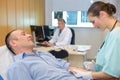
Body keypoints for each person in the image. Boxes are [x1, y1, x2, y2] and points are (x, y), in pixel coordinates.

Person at [69, 1, 120, 80]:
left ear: (102, 14)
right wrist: (96, 66)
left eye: (93, 21)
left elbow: (111, 73)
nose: (94, 26)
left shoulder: (116, 34)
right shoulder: (112, 32)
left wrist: (87, 74)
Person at [5, 29, 83, 80]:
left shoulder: (44, 54)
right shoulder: (18, 65)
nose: (29, 35)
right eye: (23, 34)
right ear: (13, 43)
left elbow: (68, 67)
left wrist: (90, 74)